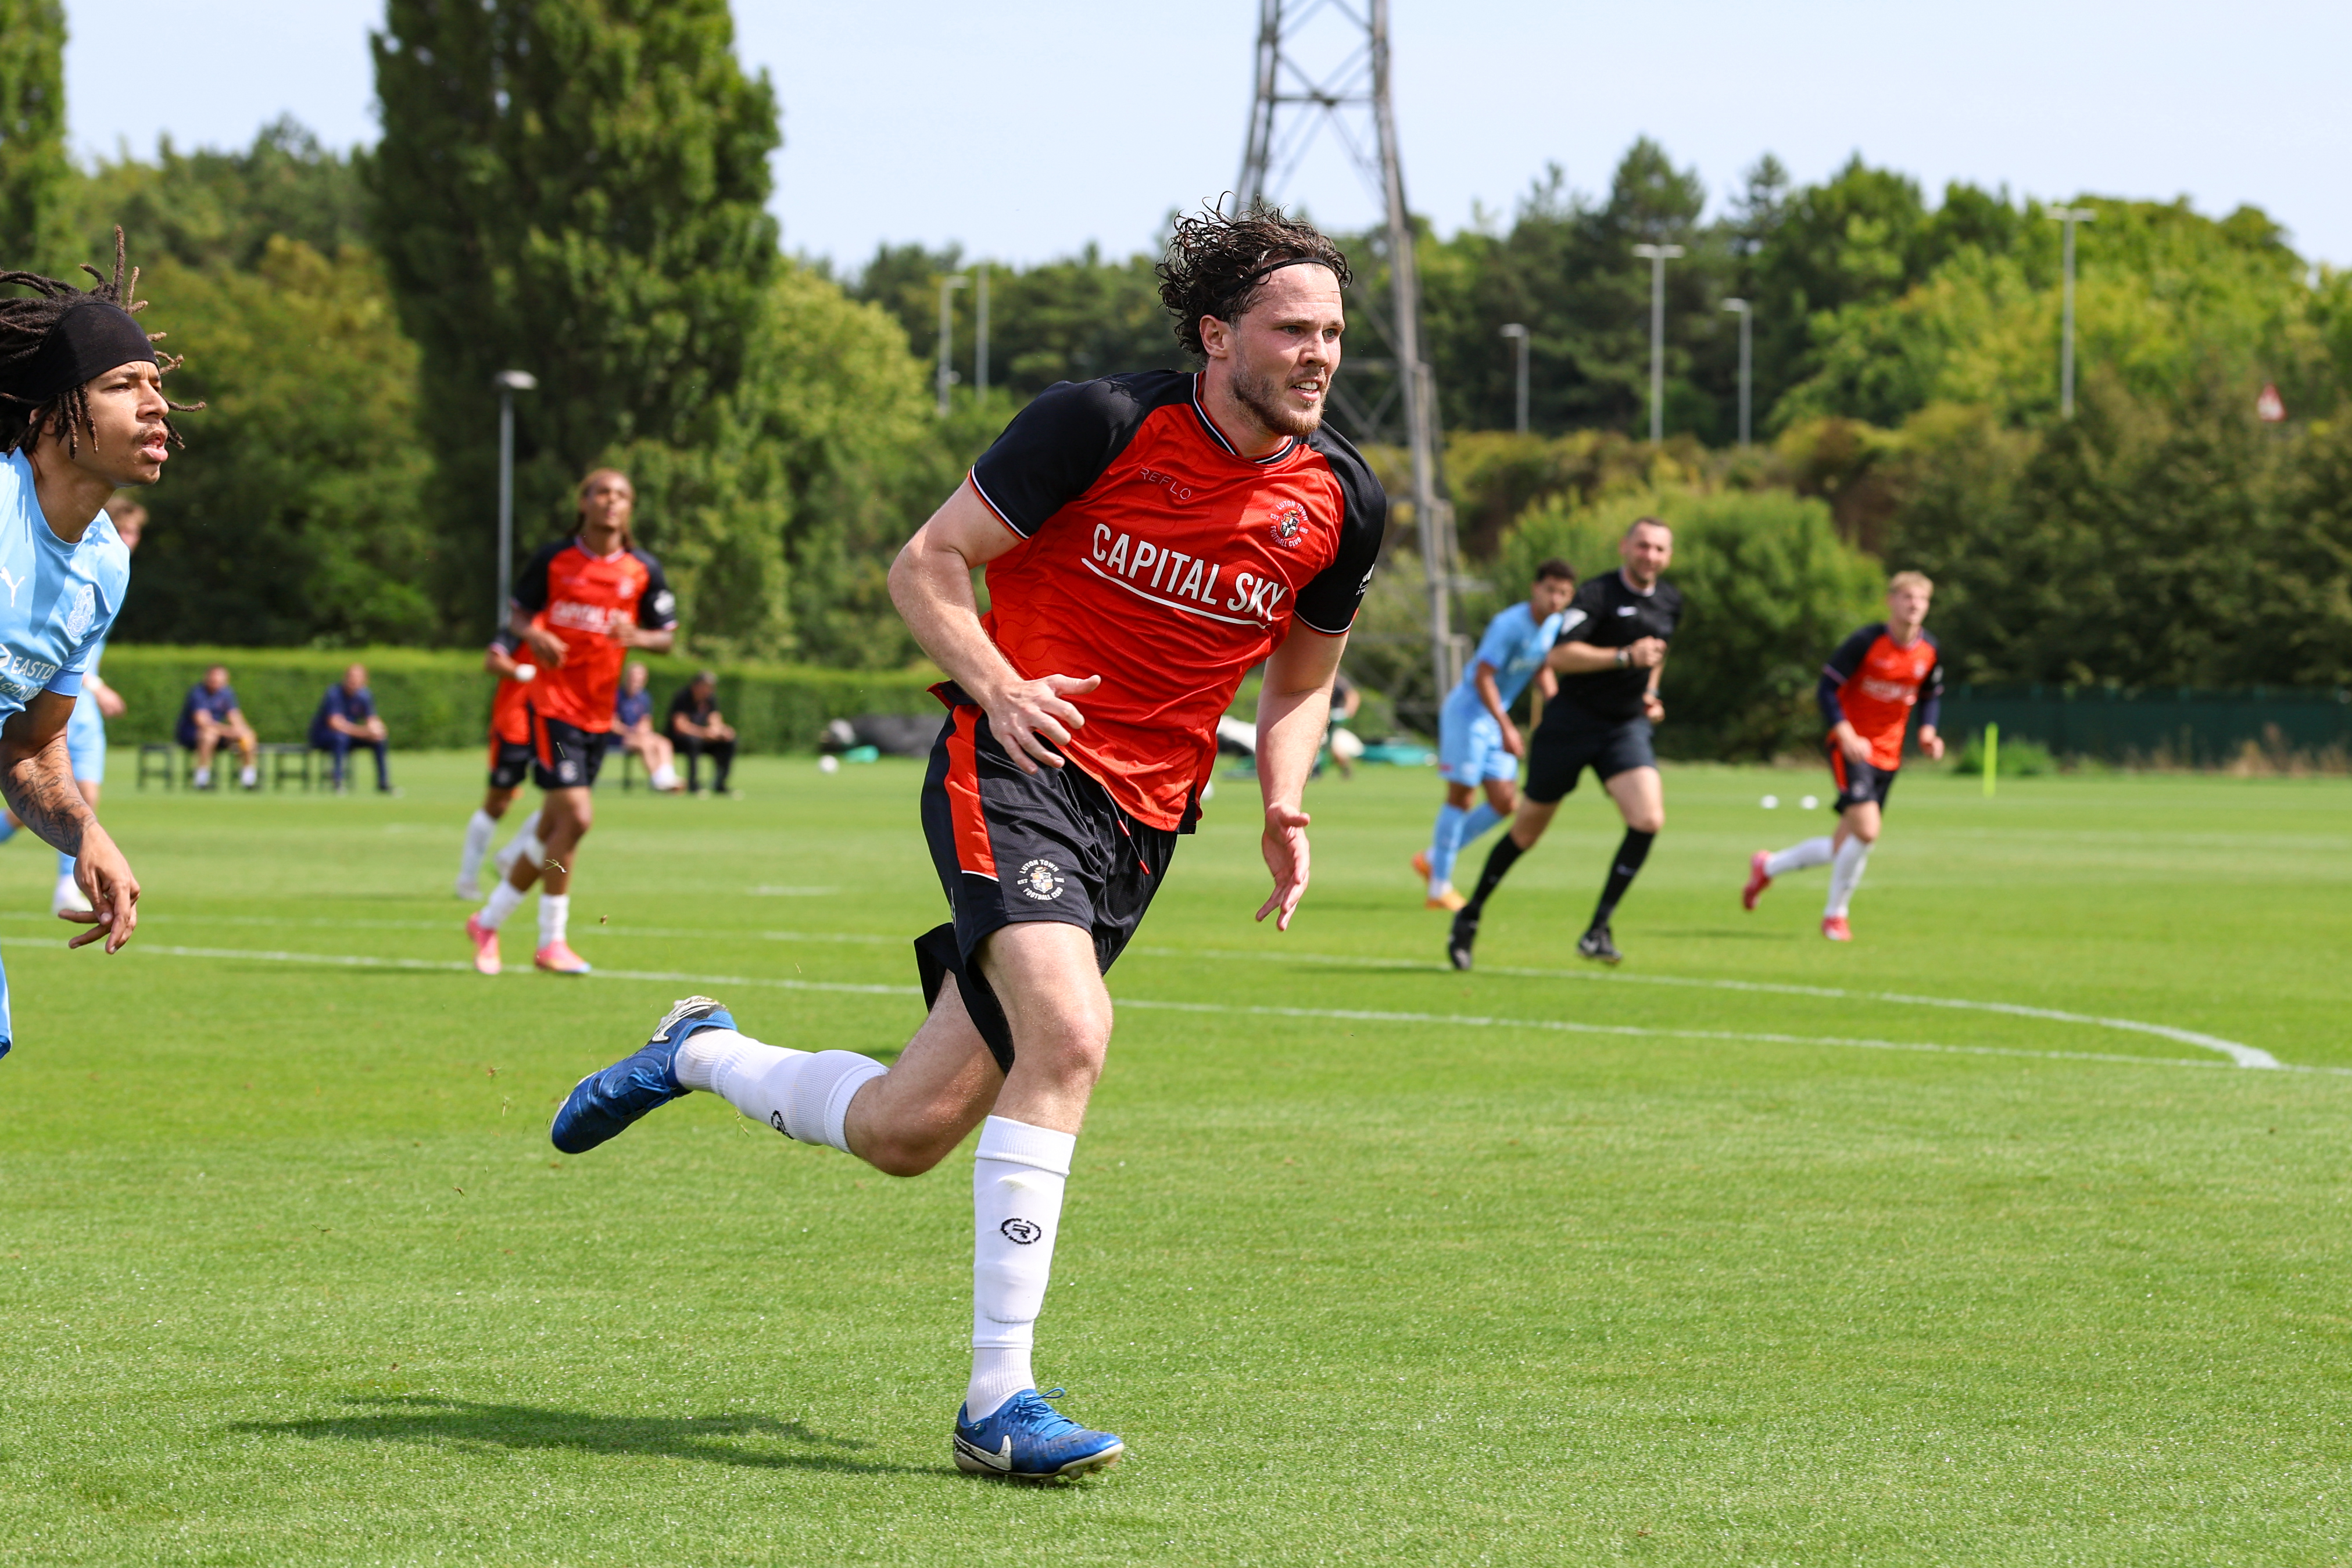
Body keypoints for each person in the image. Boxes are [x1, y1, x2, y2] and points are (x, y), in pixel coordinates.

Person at [544, 205, 1384, 1481]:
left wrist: (1282, 798)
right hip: (1015, 763)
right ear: (1217, 336)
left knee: (904, 1127)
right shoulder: (1097, 424)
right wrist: (999, 686)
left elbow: (1300, 680)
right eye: (1291, 329)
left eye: (1331, 331)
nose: (1318, 353)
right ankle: (1000, 1400)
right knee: (1073, 1034)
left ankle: (699, 1051)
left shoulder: (1340, 500)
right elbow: (927, 565)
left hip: (1144, 825)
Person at [0, 230, 167, 1051]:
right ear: (57, 412)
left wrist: (86, 832)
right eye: (123, 383)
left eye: (157, 384)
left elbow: (31, 746)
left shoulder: (103, 567)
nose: (156, 402)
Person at [464, 467, 676, 976]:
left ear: (630, 507)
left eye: (621, 494)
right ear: (583, 502)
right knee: (577, 817)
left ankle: (488, 921)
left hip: (598, 715)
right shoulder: (553, 559)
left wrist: (638, 637)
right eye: (601, 492)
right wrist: (533, 636)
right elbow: (517, 615)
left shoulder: (643, 569)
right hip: (552, 706)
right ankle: (550, 942)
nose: (611, 501)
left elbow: (665, 635)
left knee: (554, 826)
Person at [1448, 517, 1680, 970]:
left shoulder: (1671, 601)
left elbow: (1658, 653)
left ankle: (1598, 930)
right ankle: (1469, 915)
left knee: (1648, 819)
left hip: (1623, 727)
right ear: (1624, 547)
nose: (1649, 556)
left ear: (1667, 557)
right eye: (1642, 546)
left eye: (1658, 549)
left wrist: (1649, 692)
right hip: (1570, 724)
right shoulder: (1596, 595)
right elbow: (1556, 656)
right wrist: (1622, 657)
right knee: (1526, 833)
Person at [1745, 571, 1945, 940]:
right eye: (1907, 597)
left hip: (1890, 755)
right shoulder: (1865, 642)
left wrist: (1927, 731)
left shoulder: (1929, 649)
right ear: (1891, 600)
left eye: (1922, 599)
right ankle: (1835, 915)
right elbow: (1827, 689)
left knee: (1844, 845)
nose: (1914, 605)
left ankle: (1768, 867)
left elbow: (1931, 693)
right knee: (1867, 832)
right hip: (1852, 748)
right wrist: (1845, 732)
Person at [1413, 559, 1576, 911]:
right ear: (1536, 588)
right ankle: (1439, 888)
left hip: (1493, 719)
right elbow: (1483, 677)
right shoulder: (1510, 625)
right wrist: (1506, 727)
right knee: (1462, 797)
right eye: (1550, 590)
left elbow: (1542, 670)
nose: (1555, 599)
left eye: (1563, 593)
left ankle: (1431, 859)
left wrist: (1559, 709)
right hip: (1469, 715)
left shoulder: (1554, 626)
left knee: (1504, 803)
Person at [22, 494, 142, 915]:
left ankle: (65, 884)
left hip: (82, 706)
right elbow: (57, 648)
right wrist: (99, 686)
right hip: (69, 700)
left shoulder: (112, 570)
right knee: (49, 800)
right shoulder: (75, 565)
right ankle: (65, 882)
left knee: (81, 802)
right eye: (124, 530)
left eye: (135, 533)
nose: (129, 539)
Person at [454, 630, 542, 899]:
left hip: (554, 725)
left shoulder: (574, 622)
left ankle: (511, 856)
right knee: (497, 803)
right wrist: (520, 672)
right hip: (515, 726)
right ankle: (467, 878)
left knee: (567, 799)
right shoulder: (524, 626)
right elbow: (492, 661)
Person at [310, 663, 392, 793]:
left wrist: (377, 730)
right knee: (340, 738)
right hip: (325, 736)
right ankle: (337, 782)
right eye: (351, 677)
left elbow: (372, 719)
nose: (353, 680)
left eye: (358, 677)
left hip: (350, 736)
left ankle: (384, 783)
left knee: (380, 740)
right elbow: (335, 724)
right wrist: (364, 732)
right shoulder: (334, 693)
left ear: (365, 680)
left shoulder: (365, 695)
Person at [176, 664, 257, 789]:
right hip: (192, 734)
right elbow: (203, 722)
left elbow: (235, 716)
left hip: (219, 734)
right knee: (209, 736)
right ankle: (202, 780)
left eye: (221, 681)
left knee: (247, 735)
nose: (217, 684)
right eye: (214, 680)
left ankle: (248, 780)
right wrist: (228, 732)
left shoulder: (227, 693)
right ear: (207, 678)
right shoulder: (198, 693)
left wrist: (241, 730)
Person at [663, 670, 735, 794]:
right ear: (696, 685)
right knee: (693, 742)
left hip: (702, 737)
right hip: (679, 739)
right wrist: (704, 733)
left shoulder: (710, 699)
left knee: (729, 742)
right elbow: (680, 726)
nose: (709, 690)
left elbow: (715, 719)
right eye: (706, 686)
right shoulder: (683, 697)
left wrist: (721, 731)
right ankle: (694, 785)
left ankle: (720, 784)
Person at [614, 661, 681, 791]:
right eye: (633, 678)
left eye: (639, 679)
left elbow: (646, 721)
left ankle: (667, 777)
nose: (636, 682)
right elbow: (612, 723)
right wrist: (630, 732)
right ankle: (658, 781)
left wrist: (642, 730)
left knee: (664, 743)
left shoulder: (645, 697)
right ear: (626, 677)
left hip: (640, 736)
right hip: (620, 738)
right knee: (644, 745)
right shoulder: (616, 696)